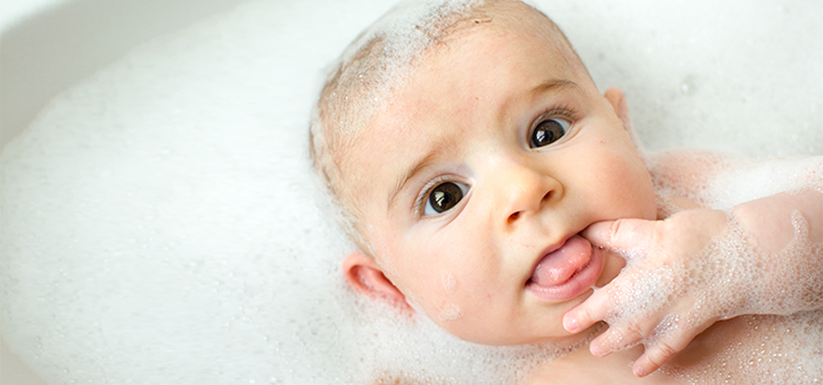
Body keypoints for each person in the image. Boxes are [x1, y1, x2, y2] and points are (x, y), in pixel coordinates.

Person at [309, 0, 823, 382]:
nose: (525, 190)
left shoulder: (699, 195)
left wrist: (744, 253)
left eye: (546, 132)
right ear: (389, 289)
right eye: (445, 196)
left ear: (623, 129)